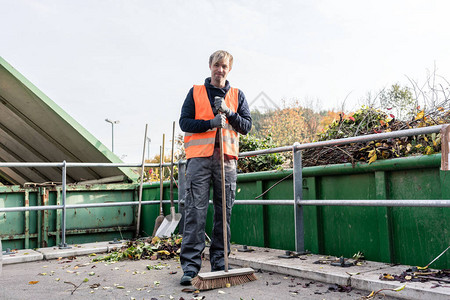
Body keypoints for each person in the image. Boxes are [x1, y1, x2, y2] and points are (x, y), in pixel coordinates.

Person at [178, 50, 252, 285]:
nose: (220, 70)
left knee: (224, 213)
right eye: (217, 65)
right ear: (210, 66)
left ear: (229, 70)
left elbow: (246, 126)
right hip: (199, 160)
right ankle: (190, 267)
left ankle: (220, 261)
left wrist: (229, 113)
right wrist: (210, 123)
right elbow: (184, 122)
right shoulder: (196, 92)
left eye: (225, 66)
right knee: (195, 212)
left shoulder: (237, 95)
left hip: (226, 161)